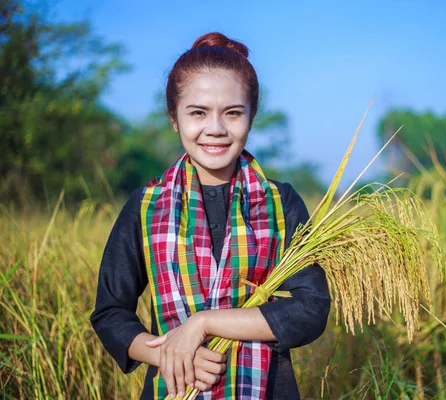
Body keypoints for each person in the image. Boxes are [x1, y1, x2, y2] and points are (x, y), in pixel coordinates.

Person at [90, 32, 330, 400]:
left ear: (251, 117)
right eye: (198, 112)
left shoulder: (282, 202)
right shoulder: (145, 205)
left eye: (232, 113)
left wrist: (203, 324)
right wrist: (172, 353)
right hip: (172, 390)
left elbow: (309, 309)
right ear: (174, 118)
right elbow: (110, 312)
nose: (215, 128)